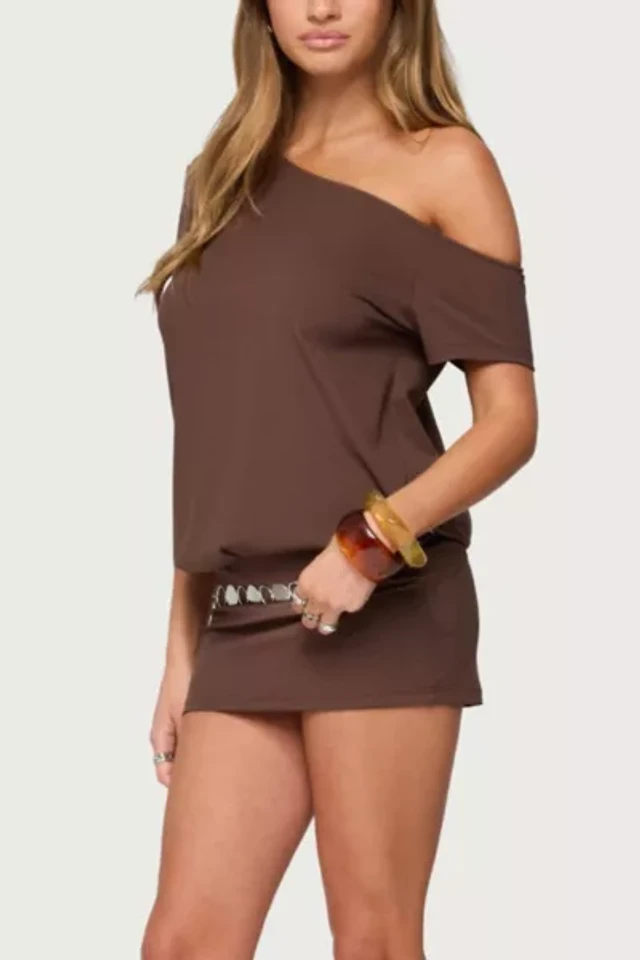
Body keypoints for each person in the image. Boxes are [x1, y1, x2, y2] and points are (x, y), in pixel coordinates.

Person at [136, 1, 537, 958]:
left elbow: (510, 423)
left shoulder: (443, 165)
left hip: (383, 609)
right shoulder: (219, 177)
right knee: (184, 942)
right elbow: (218, 431)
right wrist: (181, 649)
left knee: (372, 940)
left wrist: (368, 545)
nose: (321, 7)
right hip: (241, 617)